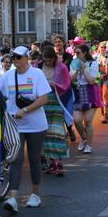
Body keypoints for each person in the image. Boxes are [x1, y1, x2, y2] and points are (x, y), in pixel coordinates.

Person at [0, 46, 50, 214]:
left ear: (27, 58)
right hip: (15, 124)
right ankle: (13, 197)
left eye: (19, 57)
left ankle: (35, 194)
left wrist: (25, 110)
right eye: (13, 57)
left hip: (36, 124)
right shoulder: (7, 77)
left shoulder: (37, 74)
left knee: (34, 159)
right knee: (16, 159)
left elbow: (43, 99)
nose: (16, 60)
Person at [37, 46, 71, 176]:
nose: (48, 63)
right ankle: (52, 162)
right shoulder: (38, 67)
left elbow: (67, 84)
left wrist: (55, 86)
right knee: (46, 133)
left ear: (54, 58)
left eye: (50, 60)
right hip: (42, 102)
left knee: (57, 132)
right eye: (45, 60)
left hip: (57, 101)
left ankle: (59, 161)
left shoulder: (61, 67)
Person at [70, 44, 102, 154]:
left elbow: (91, 81)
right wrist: (75, 70)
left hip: (90, 92)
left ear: (84, 53)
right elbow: (70, 80)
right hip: (78, 93)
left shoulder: (93, 63)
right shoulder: (74, 63)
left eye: (78, 53)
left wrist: (84, 69)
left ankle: (89, 144)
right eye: (75, 53)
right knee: (77, 120)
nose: (76, 55)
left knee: (88, 121)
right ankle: (84, 138)